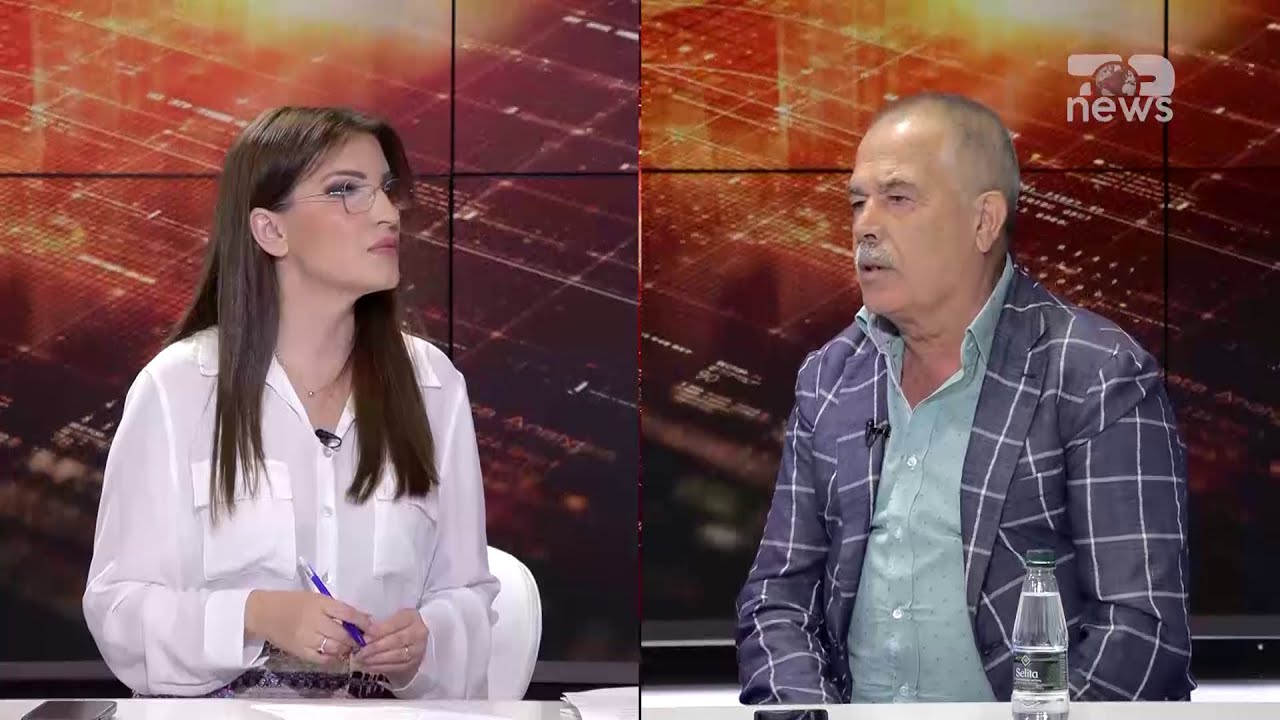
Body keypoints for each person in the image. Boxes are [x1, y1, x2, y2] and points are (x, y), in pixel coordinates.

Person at [736, 93, 1194, 704]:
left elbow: (1141, 633)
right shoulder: (831, 377)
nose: (865, 224)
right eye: (857, 202)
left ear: (984, 221)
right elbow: (777, 601)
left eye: (898, 198)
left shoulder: (1096, 375)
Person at [83, 106, 498, 699]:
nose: (386, 212)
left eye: (386, 189)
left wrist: (425, 643)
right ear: (270, 230)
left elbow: (469, 595)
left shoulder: (433, 387)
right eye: (346, 190)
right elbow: (119, 609)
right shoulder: (178, 389)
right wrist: (256, 615)